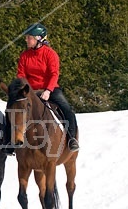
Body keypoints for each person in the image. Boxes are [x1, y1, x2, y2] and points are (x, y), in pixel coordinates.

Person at [8, 22, 79, 152]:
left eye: (29, 37)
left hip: (50, 89)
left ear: (39, 39)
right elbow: (21, 74)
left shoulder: (50, 54)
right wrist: (24, 89)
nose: (26, 40)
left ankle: (71, 138)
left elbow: (54, 74)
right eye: (27, 37)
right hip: (30, 91)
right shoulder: (24, 55)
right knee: (12, 108)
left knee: (67, 109)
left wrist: (48, 90)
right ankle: (9, 141)